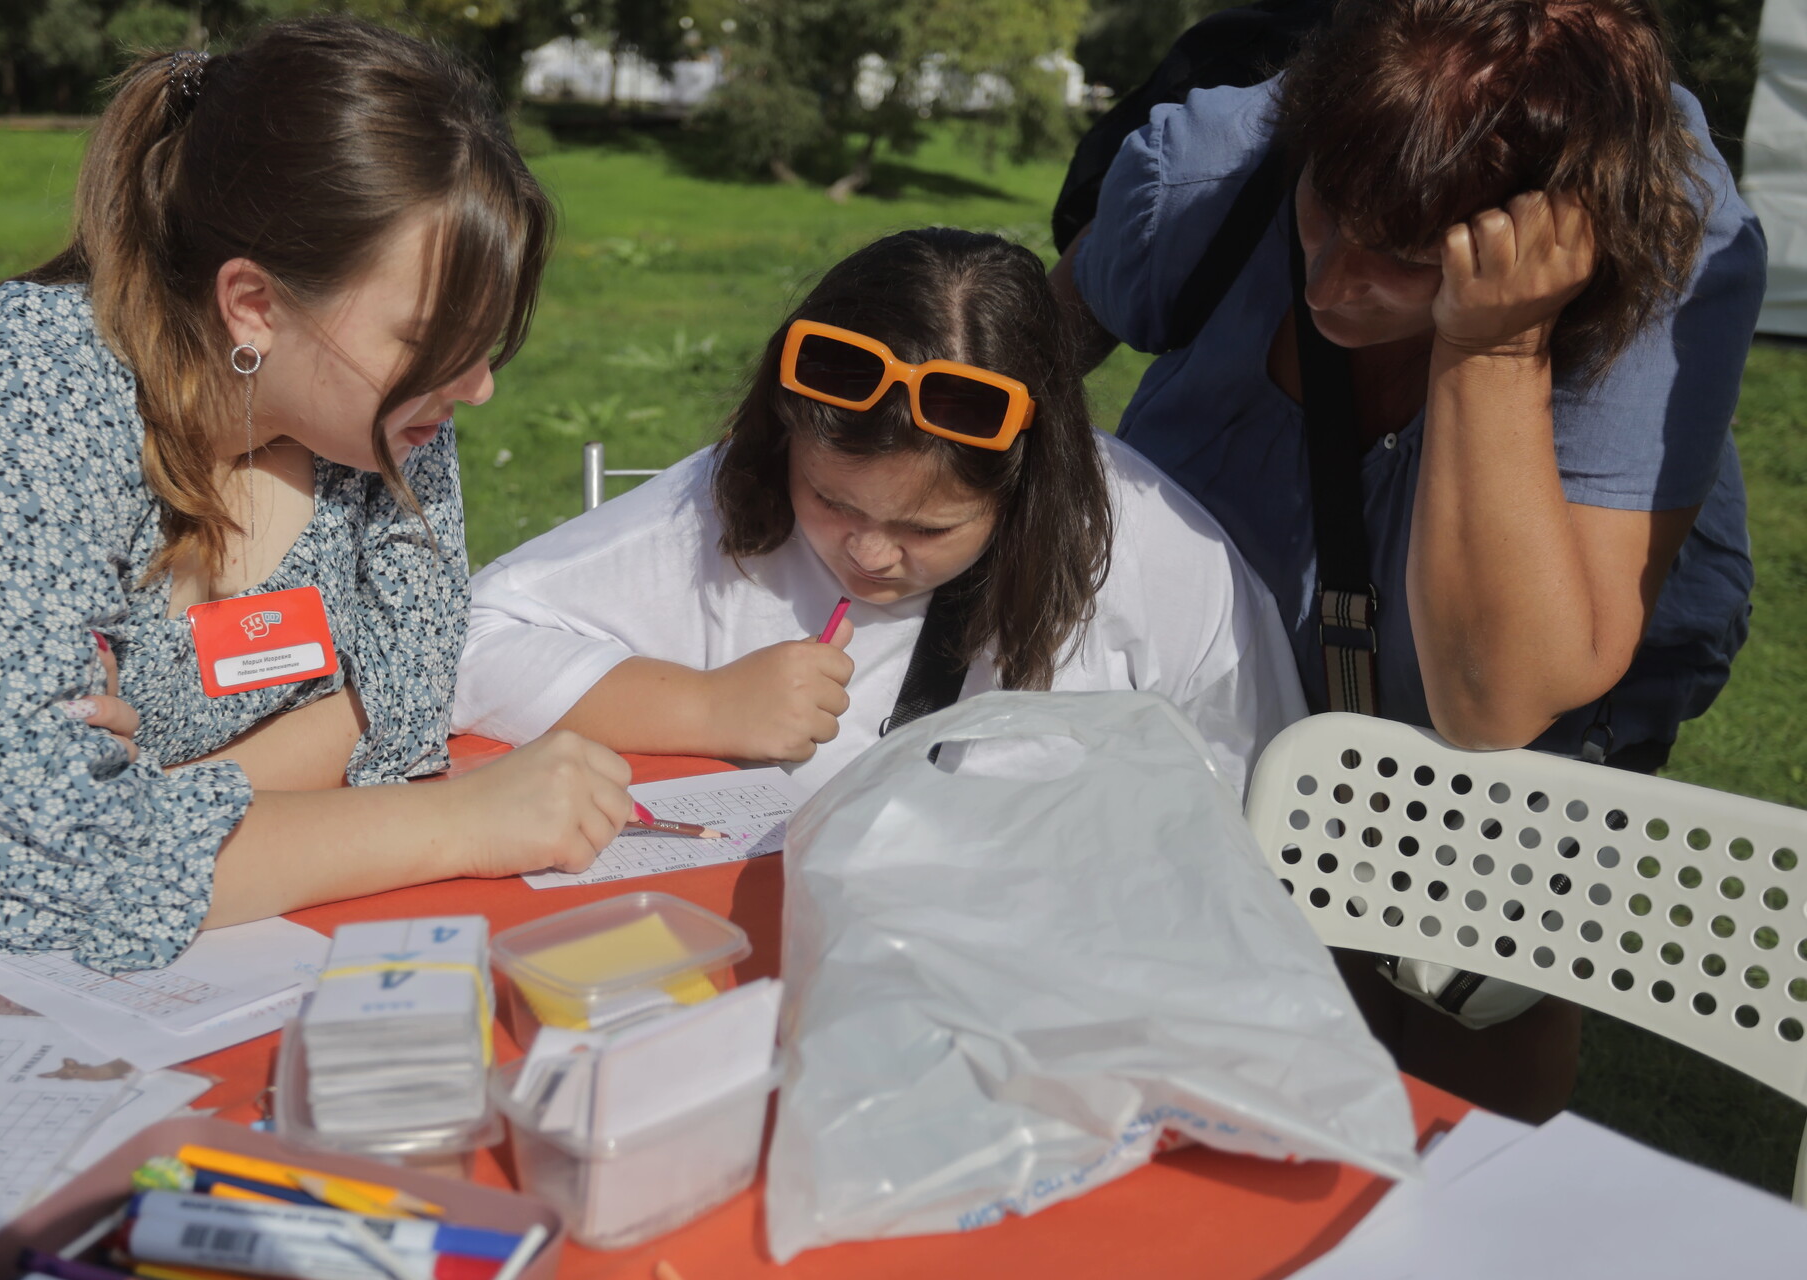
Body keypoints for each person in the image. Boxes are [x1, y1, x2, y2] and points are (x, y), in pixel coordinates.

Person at [1051, 0, 1765, 1118]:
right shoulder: (1221, 162)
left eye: (1405, 258)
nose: (1333, 284)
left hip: (1484, 717)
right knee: (1216, 1008)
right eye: (1325, 212)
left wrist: (1496, 345)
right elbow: (1029, 356)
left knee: (1452, 1023)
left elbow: (1498, 698)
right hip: (1213, 668)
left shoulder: (1668, 240)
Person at [0, 18, 633, 975]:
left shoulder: (390, 424)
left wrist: (156, 798)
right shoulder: (16, 391)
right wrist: (458, 823)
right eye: (431, 338)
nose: (477, 384)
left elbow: (401, 701)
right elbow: (57, 853)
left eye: (483, 339)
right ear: (254, 306)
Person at [453, 228, 1306, 798]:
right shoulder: (717, 512)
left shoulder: (1153, 551)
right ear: (783, 435)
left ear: (1030, 495)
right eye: (828, 498)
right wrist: (705, 707)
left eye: (928, 529)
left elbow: (1264, 781)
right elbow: (464, 647)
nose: (867, 551)